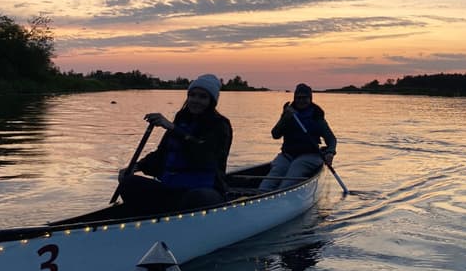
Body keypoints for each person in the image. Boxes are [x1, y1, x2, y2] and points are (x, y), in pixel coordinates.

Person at [118, 74, 233, 214]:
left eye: (203, 97)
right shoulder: (182, 118)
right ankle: (144, 219)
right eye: (192, 95)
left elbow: (204, 155)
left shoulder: (220, 125)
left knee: (197, 197)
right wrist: (136, 167)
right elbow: (162, 153)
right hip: (172, 188)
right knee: (129, 183)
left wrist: (173, 129)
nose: (196, 100)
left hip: (205, 190)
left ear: (212, 101)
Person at [259, 83, 337, 191]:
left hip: (310, 156)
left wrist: (330, 152)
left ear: (310, 99)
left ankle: (281, 195)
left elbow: (331, 139)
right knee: (271, 179)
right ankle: (261, 194)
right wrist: (285, 118)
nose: (301, 101)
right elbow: (275, 135)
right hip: (288, 155)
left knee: (294, 170)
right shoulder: (289, 114)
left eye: (304, 98)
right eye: (298, 98)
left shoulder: (317, 116)